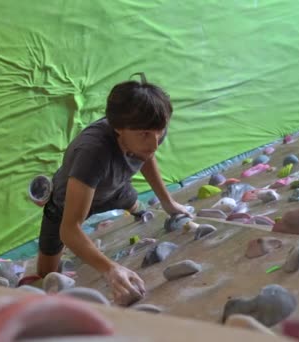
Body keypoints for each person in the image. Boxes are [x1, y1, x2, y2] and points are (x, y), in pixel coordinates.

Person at [36, 74, 193, 305]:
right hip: (67, 202)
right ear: (118, 129)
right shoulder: (92, 153)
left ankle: (135, 206)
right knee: (46, 276)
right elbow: (69, 230)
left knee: (132, 201)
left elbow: (147, 156)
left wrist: (168, 202)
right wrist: (110, 269)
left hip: (116, 188)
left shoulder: (152, 124)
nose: (155, 142)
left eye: (159, 131)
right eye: (145, 135)